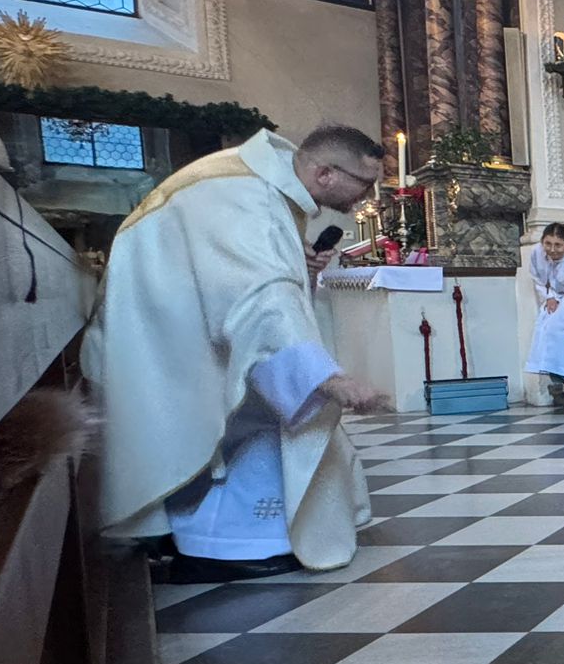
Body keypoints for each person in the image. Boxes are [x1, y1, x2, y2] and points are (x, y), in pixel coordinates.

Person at [85, 123, 388, 580]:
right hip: (173, 341)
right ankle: (228, 545)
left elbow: (248, 279)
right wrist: (326, 377)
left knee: (242, 414)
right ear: (325, 173)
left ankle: (192, 531)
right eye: (363, 184)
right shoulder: (249, 198)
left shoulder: (245, 179)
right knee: (264, 418)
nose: (366, 198)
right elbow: (261, 298)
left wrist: (300, 265)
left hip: (168, 333)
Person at [524, 223, 564, 383]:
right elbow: (537, 277)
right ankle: (552, 372)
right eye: (548, 244)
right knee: (543, 330)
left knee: (559, 331)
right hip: (554, 296)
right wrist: (548, 296)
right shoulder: (537, 252)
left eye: (558, 245)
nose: (552, 250)